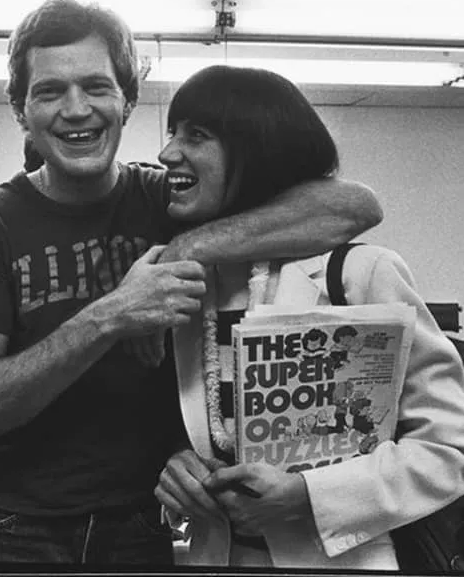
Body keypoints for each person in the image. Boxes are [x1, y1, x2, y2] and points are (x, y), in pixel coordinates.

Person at [0, 0, 382, 565]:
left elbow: (352, 207)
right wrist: (111, 315)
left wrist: (184, 246)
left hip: (139, 523)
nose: (76, 109)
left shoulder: (167, 202)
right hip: (11, 528)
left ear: (127, 100)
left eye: (96, 87)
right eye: (49, 91)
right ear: (21, 110)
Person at [153, 65, 464, 569]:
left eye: (197, 135)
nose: (168, 153)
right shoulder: (185, 290)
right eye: (173, 133)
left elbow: (448, 447)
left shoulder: (359, 273)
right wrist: (175, 470)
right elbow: (189, 430)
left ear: (256, 150)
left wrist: (310, 496)